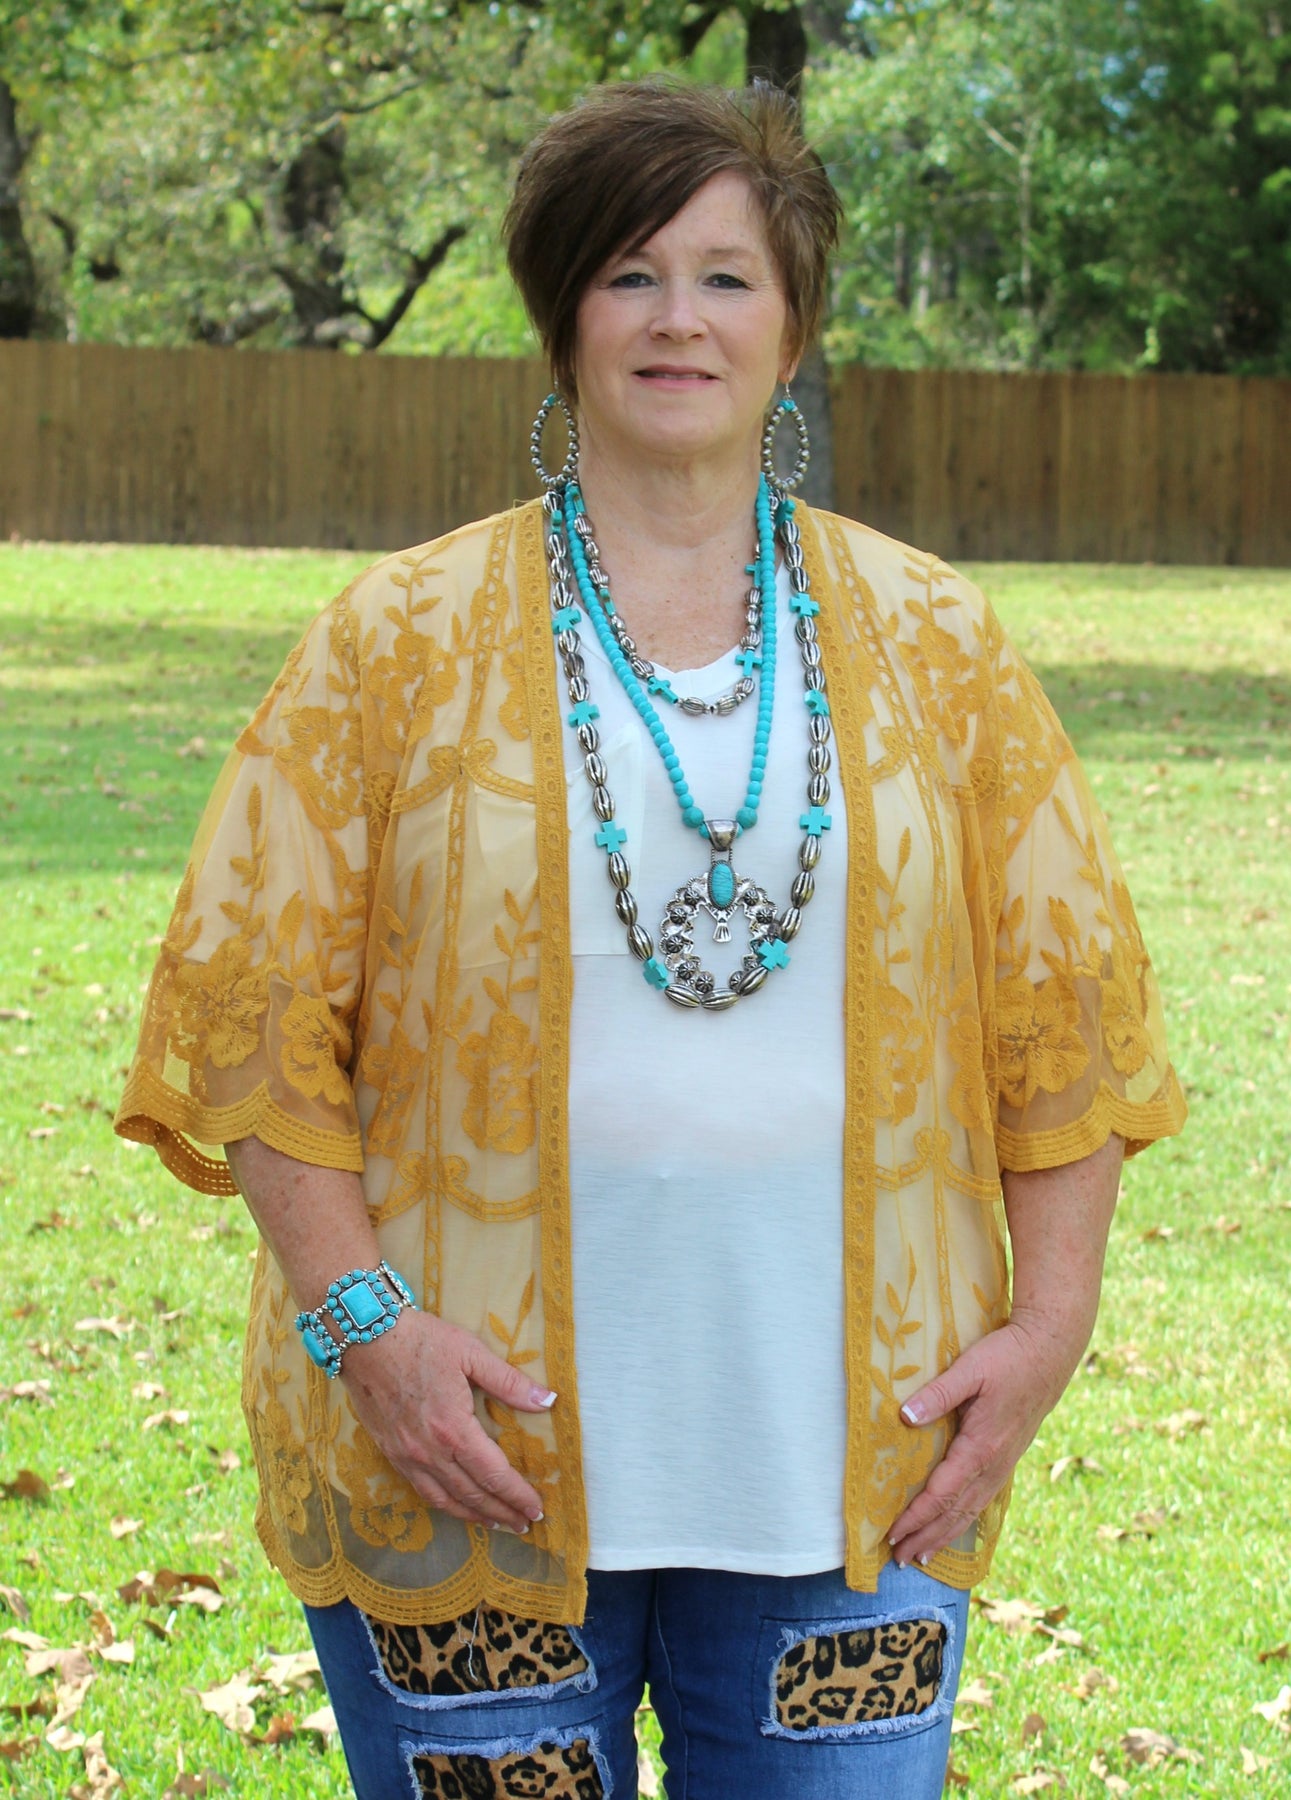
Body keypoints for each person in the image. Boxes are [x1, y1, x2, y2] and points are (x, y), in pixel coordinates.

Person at [115, 81, 1186, 1800]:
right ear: (562, 320)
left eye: (727, 277)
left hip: (863, 1470)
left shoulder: (941, 642)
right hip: (467, 1465)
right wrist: (366, 1330)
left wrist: (1051, 1323)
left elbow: (1065, 1015)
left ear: (793, 327)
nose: (679, 317)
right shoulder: (391, 640)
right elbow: (253, 1014)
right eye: (629, 274)